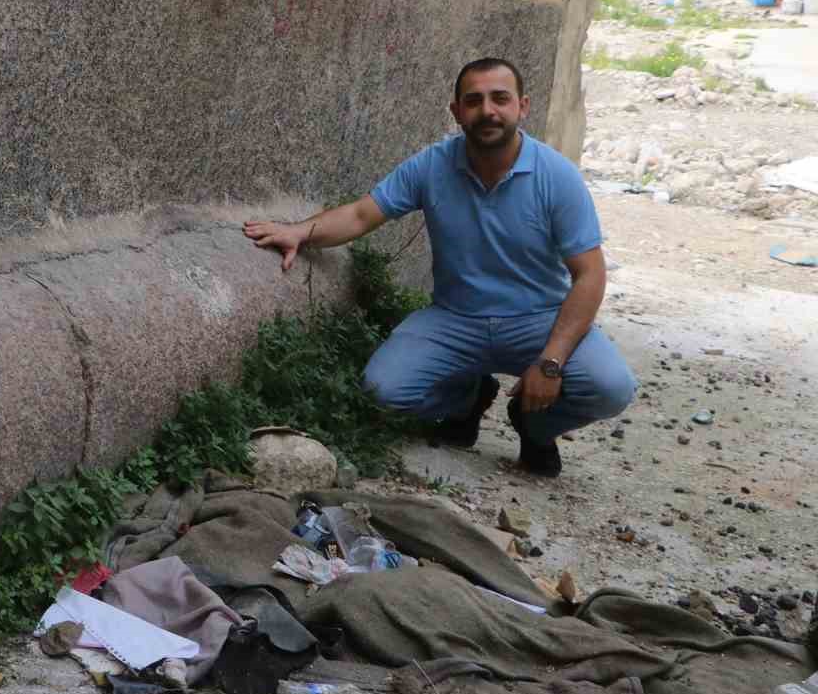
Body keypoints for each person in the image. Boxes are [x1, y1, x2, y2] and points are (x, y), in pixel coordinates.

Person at [242, 57, 635, 478]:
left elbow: (590, 274)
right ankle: (467, 398)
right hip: (456, 319)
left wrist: (550, 363)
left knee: (612, 387)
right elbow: (361, 215)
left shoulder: (556, 176)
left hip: (538, 321)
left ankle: (535, 424)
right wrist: (301, 231)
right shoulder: (432, 165)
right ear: (456, 111)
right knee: (382, 390)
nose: (488, 110)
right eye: (474, 100)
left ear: (523, 106)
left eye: (500, 99)